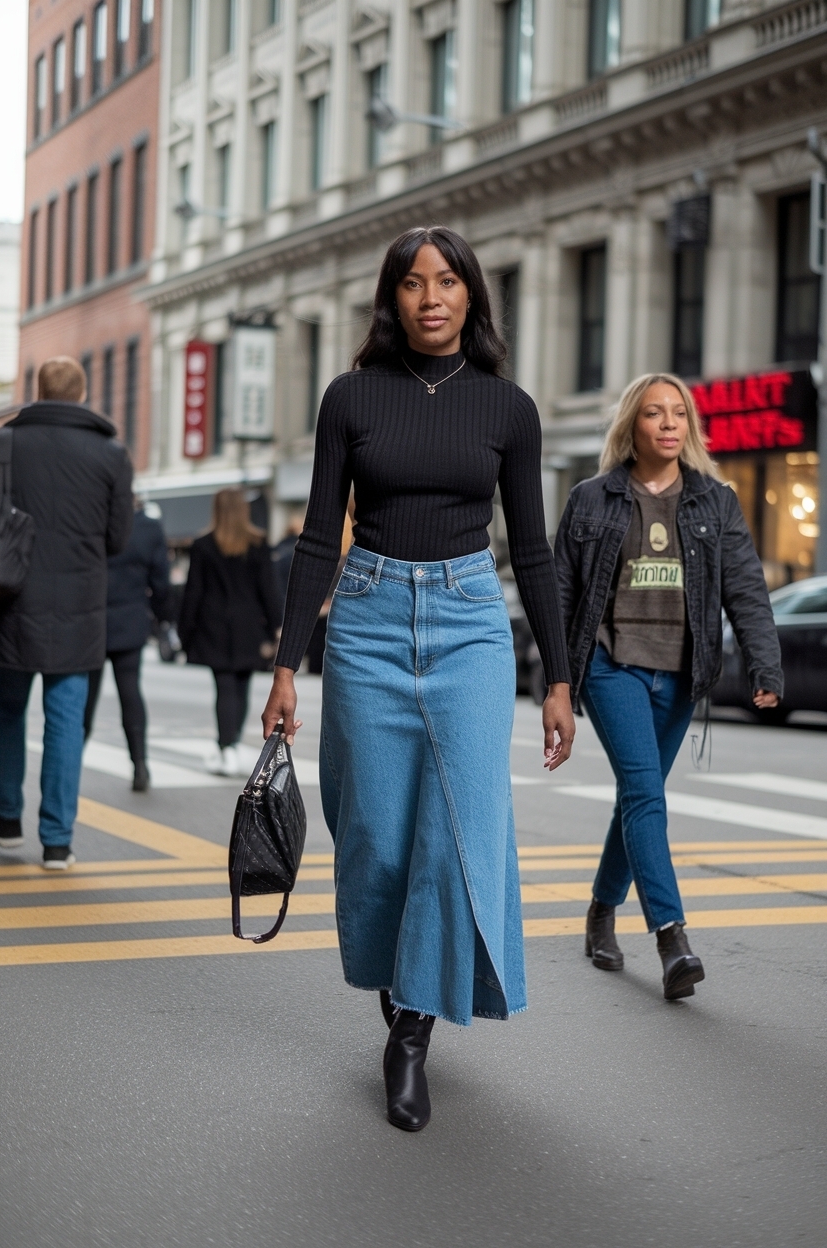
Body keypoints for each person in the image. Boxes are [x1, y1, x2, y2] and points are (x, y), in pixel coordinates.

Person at [262, 226, 575, 1132]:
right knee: (375, 835)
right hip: (366, 619)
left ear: (472, 295)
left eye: (446, 281)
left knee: (458, 827)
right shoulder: (350, 397)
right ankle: (400, 983)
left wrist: (559, 679)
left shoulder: (508, 408)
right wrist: (285, 665)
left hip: (471, 621)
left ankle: (411, 1029)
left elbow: (532, 549)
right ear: (391, 299)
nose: (430, 297)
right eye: (412, 283)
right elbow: (318, 535)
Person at [554, 373, 783, 1001]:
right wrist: (558, 682)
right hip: (612, 664)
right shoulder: (592, 499)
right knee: (644, 791)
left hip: (682, 673)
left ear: (690, 426)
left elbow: (745, 588)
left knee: (639, 795)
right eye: (654, 413)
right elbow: (563, 593)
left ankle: (601, 912)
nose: (668, 424)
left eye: (678, 413)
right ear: (633, 424)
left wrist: (764, 667)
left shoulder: (715, 501)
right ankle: (671, 936)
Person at [0, 356, 133, 869]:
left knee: (6, 711)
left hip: (10, 599)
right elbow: (118, 539)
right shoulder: (110, 453)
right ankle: (57, 841)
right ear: (82, 392)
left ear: (38, 389)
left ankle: (6, 820)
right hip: (80, 604)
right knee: (66, 721)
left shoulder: (4, 443)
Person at [179, 489, 282, 777]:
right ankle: (233, 744)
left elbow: (193, 592)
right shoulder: (258, 543)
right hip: (249, 626)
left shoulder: (203, 545)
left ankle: (226, 748)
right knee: (242, 686)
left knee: (223, 687)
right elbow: (269, 590)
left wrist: (184, 633)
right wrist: (275, 627)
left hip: (213, 625)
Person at [83, 500, 171, 793]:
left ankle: (70, 764)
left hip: (92, 620)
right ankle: (140, 764)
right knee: (130, 692)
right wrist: (160, 617)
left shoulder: (92, 521)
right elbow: (161, 580)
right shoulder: (147, 527)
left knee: (84, 698)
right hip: (131, 619)